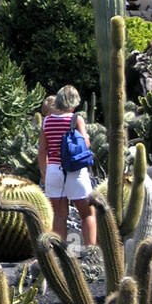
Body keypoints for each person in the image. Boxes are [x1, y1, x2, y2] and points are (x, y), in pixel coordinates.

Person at [38, 85, 96, 247]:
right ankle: (91, 252)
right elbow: (85, 144)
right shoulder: (76, 119)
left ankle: (59, 254)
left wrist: (44, 173)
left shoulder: (47, 121)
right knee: (87, 213)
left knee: (59, 215)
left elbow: (42, 151)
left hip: (53, 171)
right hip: (74, 170)